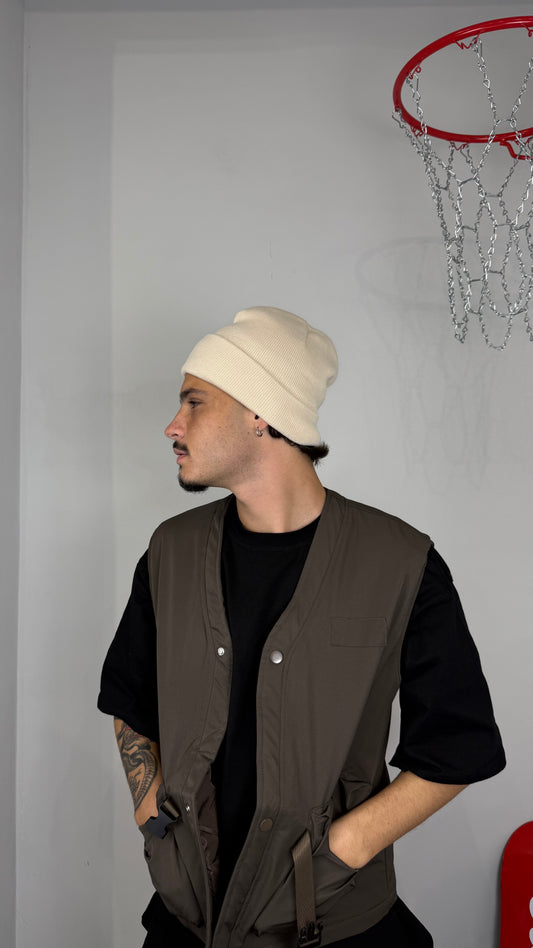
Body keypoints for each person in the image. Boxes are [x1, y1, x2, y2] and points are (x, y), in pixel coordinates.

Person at [98, 306, 505, 948]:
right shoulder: (170, 552)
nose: (173, 425)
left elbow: (459, 747)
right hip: (186, 922)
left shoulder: (399, 563)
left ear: (262, 413)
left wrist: (346, 846)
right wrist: (153, 817)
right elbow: (129, 700)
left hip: (332, 926)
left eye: (194, 402)